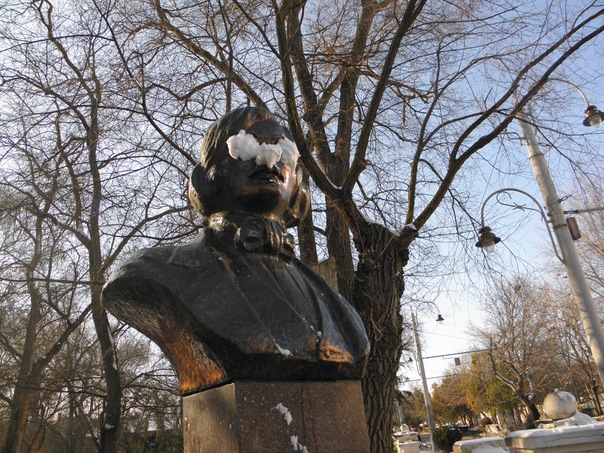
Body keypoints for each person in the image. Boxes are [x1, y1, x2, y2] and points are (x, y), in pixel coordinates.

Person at [102, 107, 369, 395]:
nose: (269, 159)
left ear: (297, 181)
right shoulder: (155, 271)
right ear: (207, 175)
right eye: (248, 146)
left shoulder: (342, 315)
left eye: (282, 150)